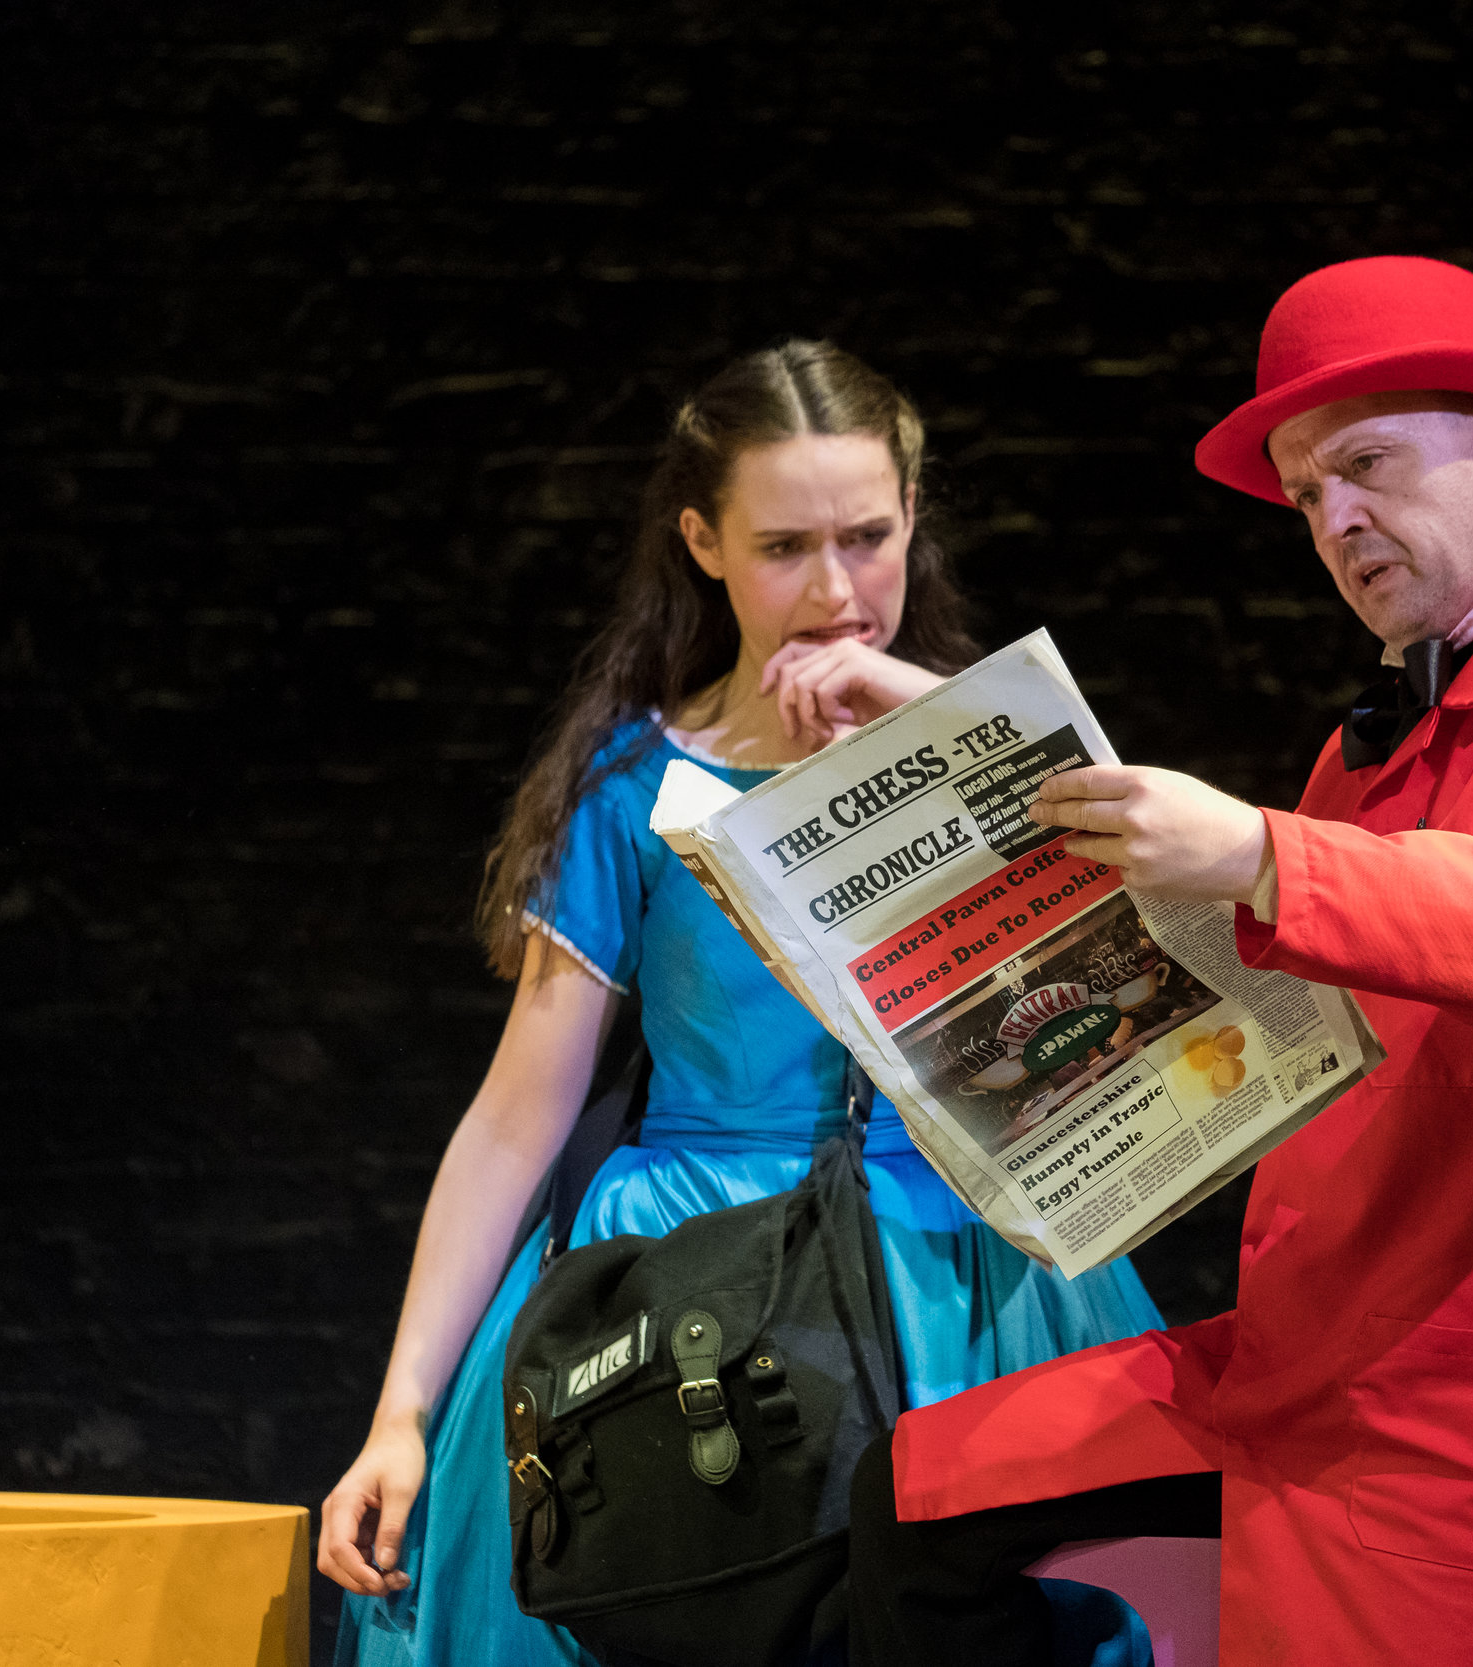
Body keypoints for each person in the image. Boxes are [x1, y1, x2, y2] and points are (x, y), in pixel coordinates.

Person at [850, 256, 1473, 1666]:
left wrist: (1261, 857)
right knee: (917, 1496)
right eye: (1304, 497)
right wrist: (976, 796)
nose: (1336, 522)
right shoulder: (1385, 741)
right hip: (1303, 1372)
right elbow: (1276, 995)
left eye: (1365, 465)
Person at [316, 340, 1166, 1667]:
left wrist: (938, 728)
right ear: (703, 541)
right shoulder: (639, 787)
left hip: (965, 1264)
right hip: (703, 1272)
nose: (835, 592)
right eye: (785, 548)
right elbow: (514, 1117)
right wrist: (402, 1410)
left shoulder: (986, 740)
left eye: (868, 537)